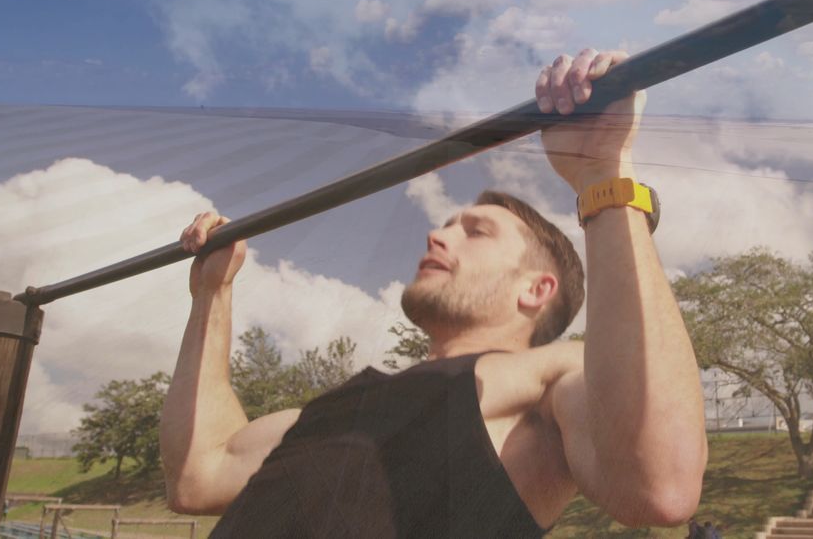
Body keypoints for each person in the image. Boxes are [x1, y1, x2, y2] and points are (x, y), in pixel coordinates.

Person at [159, 48, 707, 537]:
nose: (437, 234)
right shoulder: (344, 406)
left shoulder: (552, 378)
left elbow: (659, 484)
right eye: (447, 224)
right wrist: (212, 294)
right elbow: (196, 474)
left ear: (537, 289)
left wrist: (602, 175)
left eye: (476, 230)